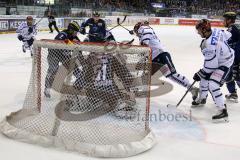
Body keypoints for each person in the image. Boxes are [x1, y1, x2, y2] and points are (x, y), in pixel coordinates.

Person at [133, 22, 199, 101]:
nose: (136, 34)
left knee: (172, 75)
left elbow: (145, 44)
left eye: (136, 32)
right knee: (148, 75)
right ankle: (140, 91)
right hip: (155, 59)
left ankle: (191, 88)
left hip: (161, 56)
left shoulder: (145, 29)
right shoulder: (143, 33)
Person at [193, 19, 234, 122]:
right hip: (223, 58)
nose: (198, 32)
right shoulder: (216, 30)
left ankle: (223, 111)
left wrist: (199, 73)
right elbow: (228, 35)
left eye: (198, 30)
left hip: (225, 63)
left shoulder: (210, 45)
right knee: (204, 77)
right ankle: (202, 98)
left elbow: (210, 67)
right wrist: (222, 48)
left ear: (204, 29)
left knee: (212, 84)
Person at [44, 21, 81, 98]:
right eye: (75, 31)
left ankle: (80, 84)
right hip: (54, 54)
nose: (76, 33)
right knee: (52, 69)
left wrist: (79, 48)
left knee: (75, 68)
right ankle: (47, 88)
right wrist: (71, 43)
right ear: (71, 30)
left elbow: (80, 46)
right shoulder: (63, 34)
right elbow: (58, 40)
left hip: (64, 55)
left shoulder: (74, 37)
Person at [223, 12, 240, 103]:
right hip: (234, 57)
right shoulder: (235, 27)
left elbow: (227, 44)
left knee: (236, 76)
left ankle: (233, 92)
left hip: (236, 58)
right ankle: (233, 93)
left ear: (229, 20)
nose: (223, 21)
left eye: (224, 19)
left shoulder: (231, 30)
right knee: (229, 75)